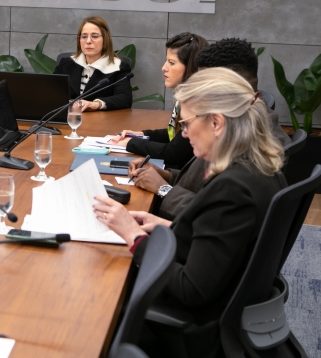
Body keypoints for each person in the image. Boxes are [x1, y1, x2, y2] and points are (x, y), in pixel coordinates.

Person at [93, 68, 286, 357]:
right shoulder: (262, 169)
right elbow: (223, 244)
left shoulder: (232, 189)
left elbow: (191, 289)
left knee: (94, 292)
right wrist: (166, 226)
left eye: (186, 123)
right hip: (229, 309)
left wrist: (133, 236)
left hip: (191, 332)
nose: (183, 133)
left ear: (216, 122)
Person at [128, 38, 291, 219]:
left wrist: (163, 188)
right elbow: (202, 187)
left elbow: (215, 216)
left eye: (203, 85)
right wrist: (166, 176)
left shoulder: (247, 148)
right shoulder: (247, 124)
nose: (185, 132)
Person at [108, 32, 209, 169]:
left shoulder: (198, 102)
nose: (164, 68)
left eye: (171, 63)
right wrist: (144, 135)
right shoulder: (186, 96)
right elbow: (174, 134)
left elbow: (174, 152)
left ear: (191, 67)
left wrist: (131, 143)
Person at [52, 16, 132, 111]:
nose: (88, 41)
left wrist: (96, 104)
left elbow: (125, 98)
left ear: (105, 40)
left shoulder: (118, 67)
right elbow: (50, 93)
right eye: (84, 36)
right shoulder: (66, 64)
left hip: (102, 122)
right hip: (68, 120)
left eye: (94, 36)